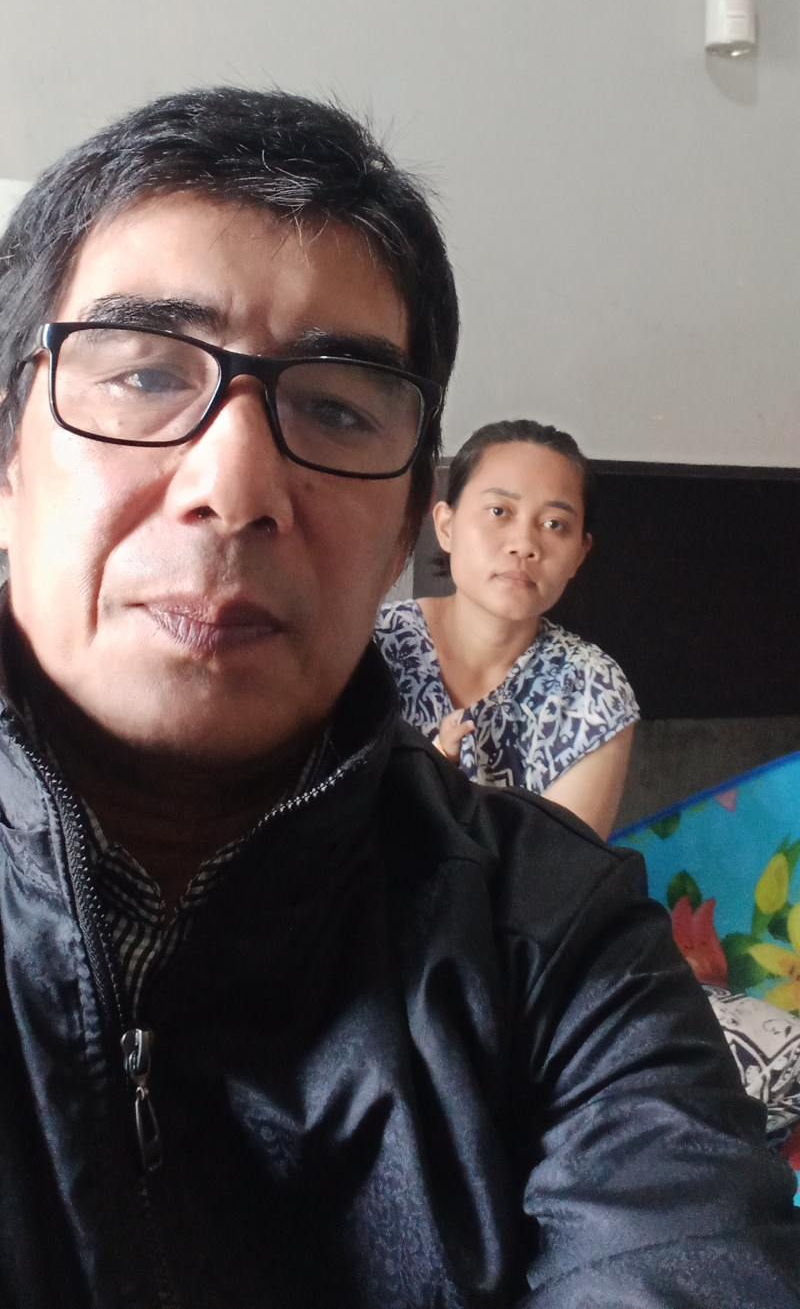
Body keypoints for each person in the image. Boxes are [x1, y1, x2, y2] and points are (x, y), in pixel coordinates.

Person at [0, 87, 795, 1309]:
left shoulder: (558, 936)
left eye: (332, 407)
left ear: (396, 529)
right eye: (147, 372)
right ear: (9, 459)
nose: (233, 485)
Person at [375, 420, 637, 837]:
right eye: (499, 512)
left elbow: (558, 868)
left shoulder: (591, 689)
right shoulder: (371, 647)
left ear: (579, 555)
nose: (525, 545)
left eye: (554, 524)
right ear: (446, 526)